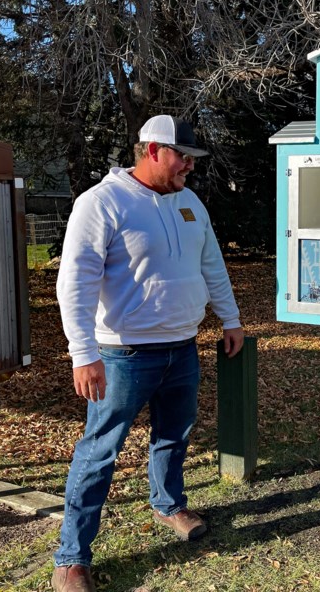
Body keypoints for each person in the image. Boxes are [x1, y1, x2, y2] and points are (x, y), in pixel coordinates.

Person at [51, 115, 245, 592]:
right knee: (99, 453)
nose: (190, 167)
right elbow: (74, 282)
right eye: (183, 157)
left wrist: (231, 317)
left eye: (193, 159)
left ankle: (169, 506)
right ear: (153, 150)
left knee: (173, 437)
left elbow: (211, 263)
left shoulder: (189, 203)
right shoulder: (102, 203)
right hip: (123, 356)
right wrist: (83, 353)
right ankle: (71, 559)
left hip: (182, 349)